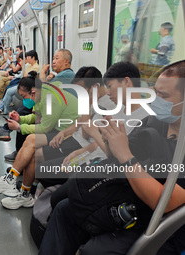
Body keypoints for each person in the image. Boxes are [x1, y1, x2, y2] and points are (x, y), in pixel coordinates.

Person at [39, 60, 185, 255]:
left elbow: (163, 203)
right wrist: (110, 140)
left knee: (94, 250)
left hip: (157, 221)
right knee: (66, 209)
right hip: (131, 196)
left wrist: (124, 155)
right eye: (155, 92)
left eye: (163, 96)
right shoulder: (154, 122)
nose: (155, 100)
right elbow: (118, 154)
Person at [0, 71, 79, 209]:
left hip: (70, 133)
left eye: (24, 96)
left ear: (33, 92)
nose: (24, 100)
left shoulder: (50, 98)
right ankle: (22, 191)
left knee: (31, 138)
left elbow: (45, 127)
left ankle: (12, 180)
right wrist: (20, 119)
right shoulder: (41, 94)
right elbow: (37, 117)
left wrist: (20, 127)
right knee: (31, 143)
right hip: (58, 129)